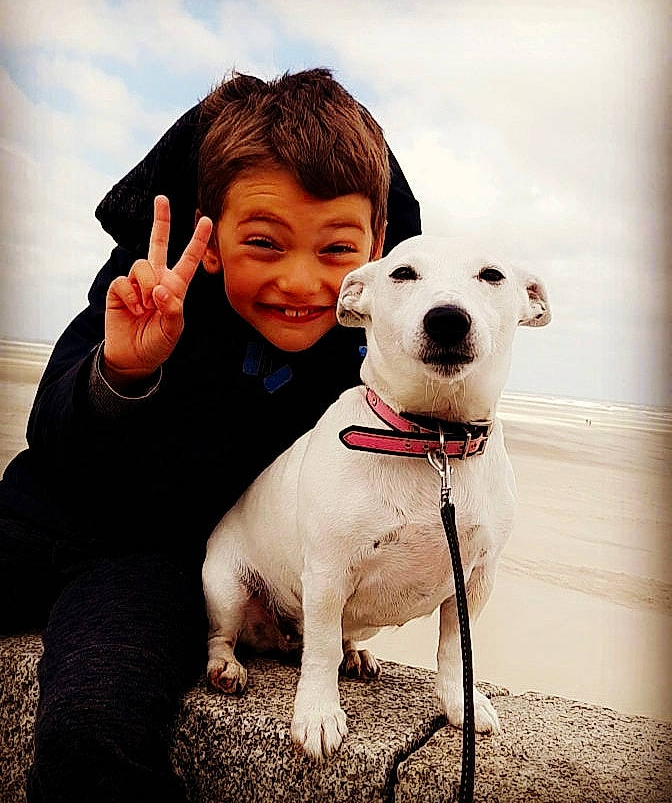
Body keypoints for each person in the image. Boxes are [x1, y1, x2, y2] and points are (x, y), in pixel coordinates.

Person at [0, 68, 421, 801]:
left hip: (157, 570)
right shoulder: (148, 287)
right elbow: (51, 434)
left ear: (378, 243)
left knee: (92, 732)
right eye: (265, 242)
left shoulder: (380, 358)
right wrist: (122, 372)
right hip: (38, 519)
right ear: (214, 236)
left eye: (334, 249)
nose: (299, 281)